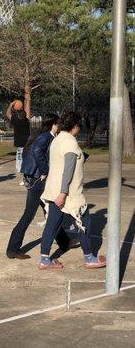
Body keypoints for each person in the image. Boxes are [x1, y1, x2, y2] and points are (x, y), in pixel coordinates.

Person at [39, 112, 106, 270]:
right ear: (75, 126)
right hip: (68, 193)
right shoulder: (70, 142)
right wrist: (63, 193)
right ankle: (89, 257)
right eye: (79, 126)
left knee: (52, 225)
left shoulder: (56, 139)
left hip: (53, 189)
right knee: (85, 223)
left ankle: (44, 259)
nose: (79, 129)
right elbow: (68, 170)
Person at [6, 114, 60, 259]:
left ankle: (64, 240)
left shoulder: (44, 136)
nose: (59, 126)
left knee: (54, 210)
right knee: (29, 214)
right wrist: (44, 170)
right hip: (38, 180)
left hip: (36, 179)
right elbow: (37, 152)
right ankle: (12, 249)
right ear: (53, 124)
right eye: (58, 124)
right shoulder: (45, 137)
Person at [6, 100, 30, 179]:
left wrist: (10, 105)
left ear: (18, 115)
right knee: (26, 160)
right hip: (28, 144)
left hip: (21, 145)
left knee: (20, 162)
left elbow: (8, 114)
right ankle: (25, 176)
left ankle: (24, 178)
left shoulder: (17, 121)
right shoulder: (27, 121)